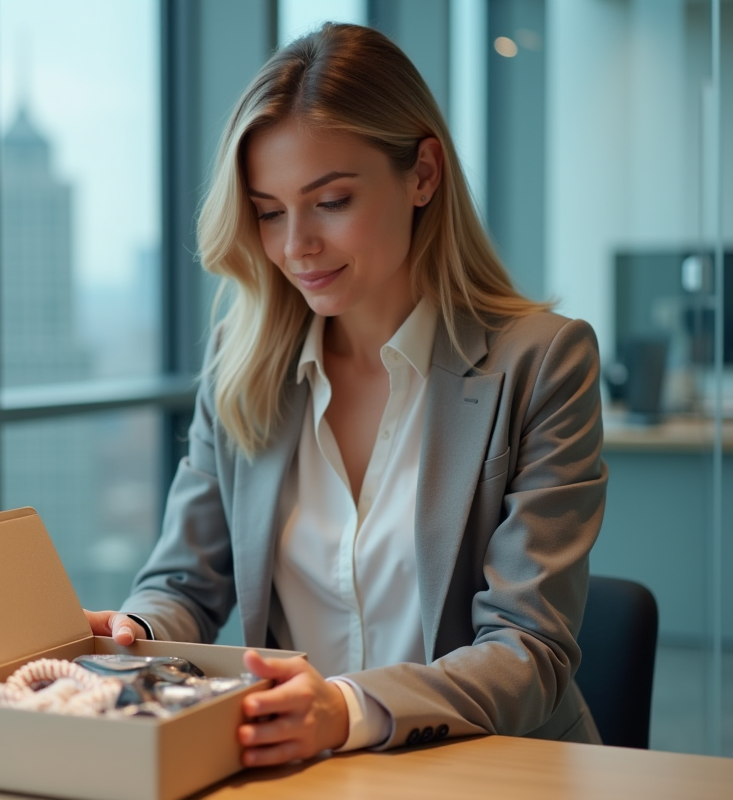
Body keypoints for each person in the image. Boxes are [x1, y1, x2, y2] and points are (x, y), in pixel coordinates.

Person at [85, 22, 606, 766]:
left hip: (486, 771)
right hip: (298, 774)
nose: (295, 245)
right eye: (268, 211)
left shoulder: (543, 362)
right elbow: (184, 583)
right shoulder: (243, 359)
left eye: (329, 200)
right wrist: (135, 630)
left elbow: (529, 649)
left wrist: (346, 708)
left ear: (423, 174)